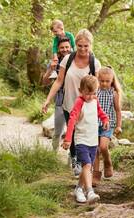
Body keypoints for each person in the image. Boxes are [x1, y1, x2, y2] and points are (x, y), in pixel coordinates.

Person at [42, 29, 101, 176]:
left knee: (84, 134)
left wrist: (99, 110)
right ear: (76, 45)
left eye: (86, 46)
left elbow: (97, 88)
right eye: (80, 45)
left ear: (90, 45)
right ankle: (75, 161)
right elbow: (58, 81)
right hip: (69, 105)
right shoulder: (67, 60)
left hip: (87, 107)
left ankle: (85, 163)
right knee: (73, 133)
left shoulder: (95, 63)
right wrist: (48, 100)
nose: (82, 49)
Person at [62, 75, 109, 203]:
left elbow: (100, 112)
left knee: (88, 168)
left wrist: (105, 119)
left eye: (93, 93)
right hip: (81, 139)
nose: (90, 96)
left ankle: (78, 189)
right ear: (80, 90)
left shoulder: (94, 100)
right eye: (87, 94)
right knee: (87, 165)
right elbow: (72, 120)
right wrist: (68, 139)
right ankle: (89, 192)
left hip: (93, 140)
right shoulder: (79, 102)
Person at [92, 67, 123, 186]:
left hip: (107, 125)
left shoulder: (113, 93)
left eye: (107, 81)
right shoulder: (95, 91)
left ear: (112, 81)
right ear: (98, 80)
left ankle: (108, 162)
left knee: (103, 147)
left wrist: (118, 126)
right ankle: (95, 174)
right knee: (95, 150)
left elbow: (118, 111)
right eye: (101, 81)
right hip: (94, 124)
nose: (104, 83)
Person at [42, 37, 71, 151]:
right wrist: (50, 69)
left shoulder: (76, 60)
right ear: (58, 49)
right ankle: (53, 156)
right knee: (57, 132)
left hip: (75, 100)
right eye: (62, 48)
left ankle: (71, 161)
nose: (65, 49)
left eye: (67, 47)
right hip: (60, 100)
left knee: (73, 132)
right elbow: (45, 82)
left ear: (71, 47)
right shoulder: (54, 61)